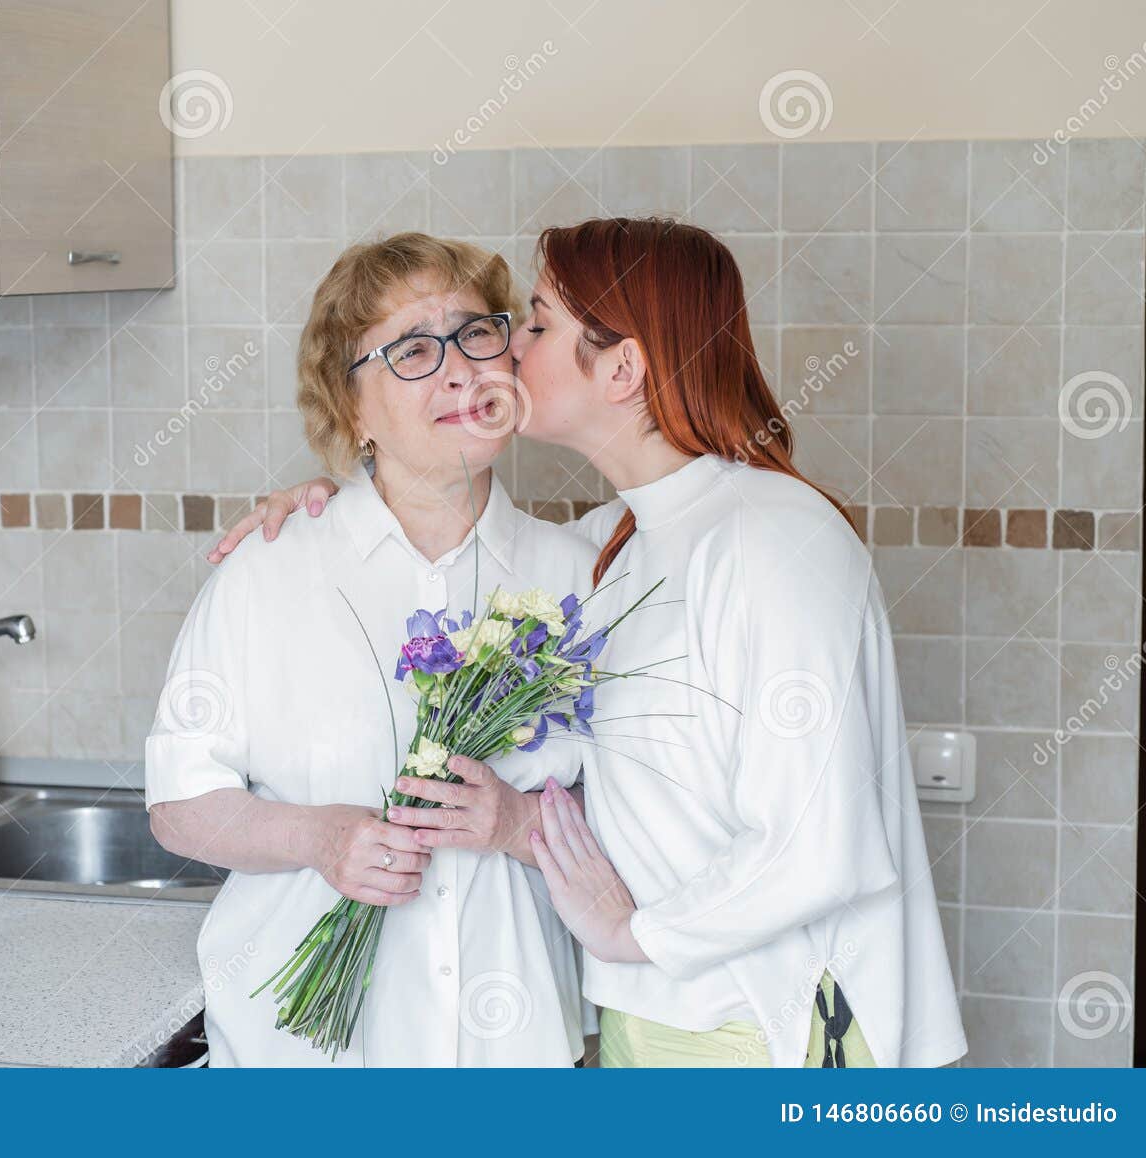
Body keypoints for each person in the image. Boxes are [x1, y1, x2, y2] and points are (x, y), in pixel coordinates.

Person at [205, 217, 967, 1069]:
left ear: (622, 367)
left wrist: (629, 929)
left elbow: (819, 847)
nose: (500, 354)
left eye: (532, 325)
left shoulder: (771, 539)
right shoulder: (619, 547)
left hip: (772, 1023)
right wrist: (327, 505)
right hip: (652, 1018)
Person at [145, 233, 599, 1066]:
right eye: (415, 350)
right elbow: (180, 804)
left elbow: (647, 830)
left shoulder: (583, 579)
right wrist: (320, 840)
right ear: (350, 407)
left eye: (476, 333)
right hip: (303, 1067)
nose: (460, 369)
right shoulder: (268, 572)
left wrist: (517, 823)